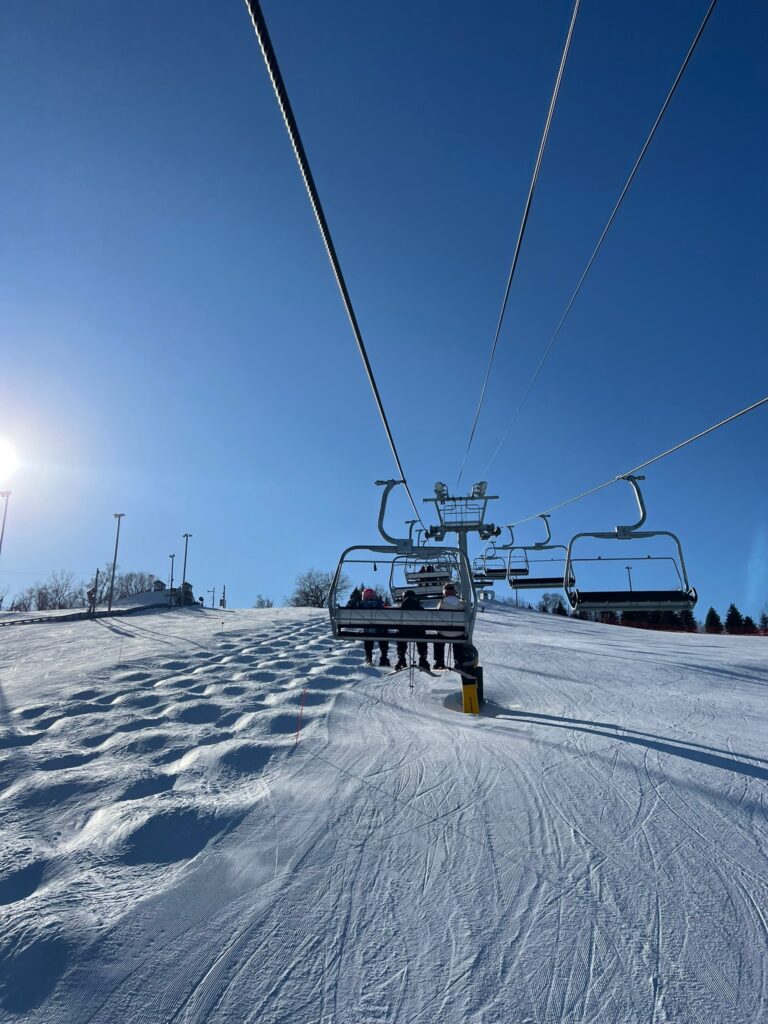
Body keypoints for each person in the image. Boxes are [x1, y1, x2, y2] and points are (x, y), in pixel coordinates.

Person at [394, 589, 430, 671]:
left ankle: (401, 658)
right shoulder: (419, 607)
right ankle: (423, 659)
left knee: (399, 634)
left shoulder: (402, 606)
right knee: (422, 634)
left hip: (404, 632)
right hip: (418, 632)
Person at [433, 582, 465, 670]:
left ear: (444, 592)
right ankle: (458, 661)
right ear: (454, 592)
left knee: (438, 640)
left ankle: (439, 661)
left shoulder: (442, 603)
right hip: (458, 633)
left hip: (443, 632)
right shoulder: (461, 603)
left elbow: (436, 617)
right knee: (458, 640)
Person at [360, 587, 390, 667]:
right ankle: (384, 657)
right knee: (384, 631)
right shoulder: (379, 603)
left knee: (367, 633)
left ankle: (368, 657)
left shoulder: (362, 604)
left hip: (368, 630)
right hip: (380, 630)